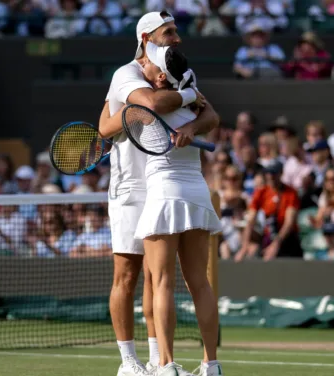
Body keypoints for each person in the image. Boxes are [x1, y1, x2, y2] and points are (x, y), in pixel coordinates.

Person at [96, 10, 221, 376]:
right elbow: (127, 115)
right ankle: (129, 362)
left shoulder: (179, 71)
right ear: (147, 38)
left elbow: (211, 114)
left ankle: (157, 360)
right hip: (131, 185)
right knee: (128, 274)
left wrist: (192, 119)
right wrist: (177, 99)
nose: (177, 38)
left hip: (166, 183)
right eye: (169, 32)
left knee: (157, 277)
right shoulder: (126, 75)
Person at [132, 43, 222, 376]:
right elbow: (212, 115)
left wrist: (189, 128)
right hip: (197, 192)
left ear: (159, 74)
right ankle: (211, 364)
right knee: (201, 282)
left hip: (165, 194)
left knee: (162, 283)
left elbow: (116, 122)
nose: (142, 66)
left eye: (148, 64)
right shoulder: (193, 99)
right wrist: (191, 124)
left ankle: (167, 365)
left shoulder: (146, 99)